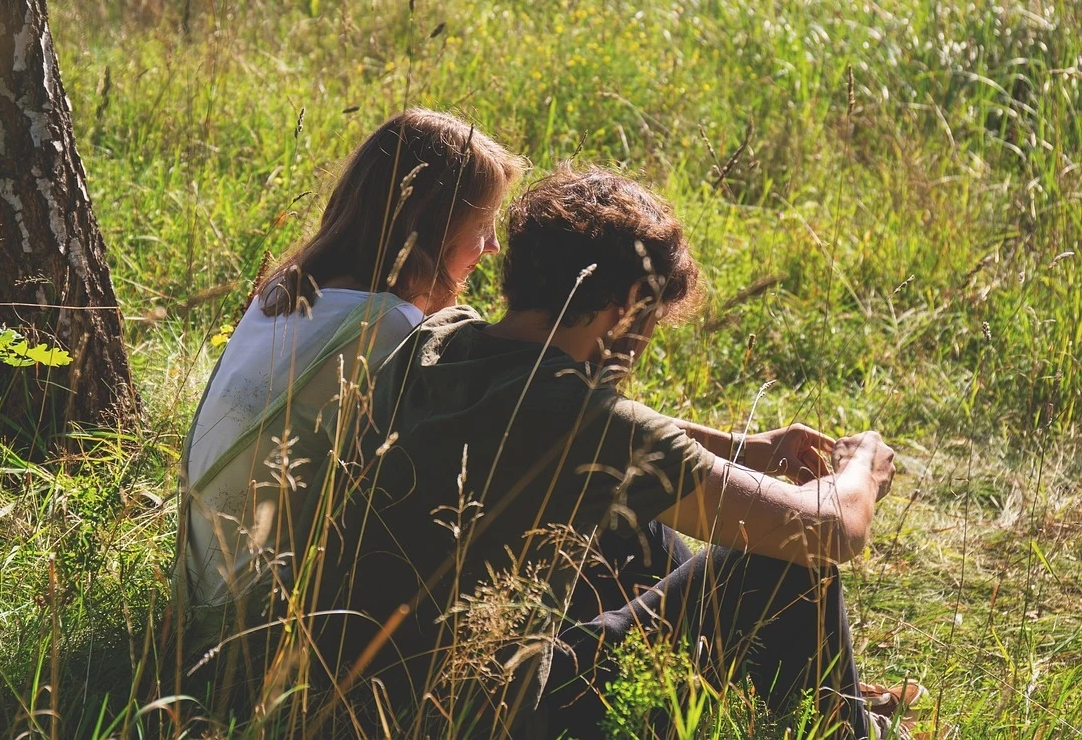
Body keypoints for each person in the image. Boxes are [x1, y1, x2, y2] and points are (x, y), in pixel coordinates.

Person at [312, 167, 916, 738]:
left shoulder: (438, 340)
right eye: (652, 317)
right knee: (786, 561)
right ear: (626, 301)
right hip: (497, 717)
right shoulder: (593, 426)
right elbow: (829, 529)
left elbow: (581, 425)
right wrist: (861, 466)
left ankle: (802, 693)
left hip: (357, 687)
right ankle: (851, 727)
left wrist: (738, 448)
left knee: (636, 524)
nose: (647, 339)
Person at [175, 108, 524, 709]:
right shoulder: (388, 327)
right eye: (483, 227)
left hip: (203, 606)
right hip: (274, 639)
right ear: (432, 227)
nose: (492, 247)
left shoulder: (283, 294)